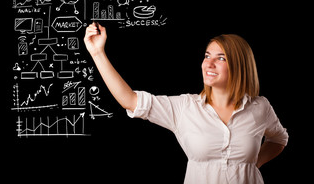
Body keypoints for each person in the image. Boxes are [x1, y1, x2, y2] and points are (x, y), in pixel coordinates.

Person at [84, 22, 288, 184]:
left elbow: (279, 139)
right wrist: (98, 53)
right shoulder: (184, 107)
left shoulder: (260, 107)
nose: (208, 63)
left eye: (221, 58)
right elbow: (130, 100)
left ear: (239, 66)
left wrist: (253, 164)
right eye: (207, 56)